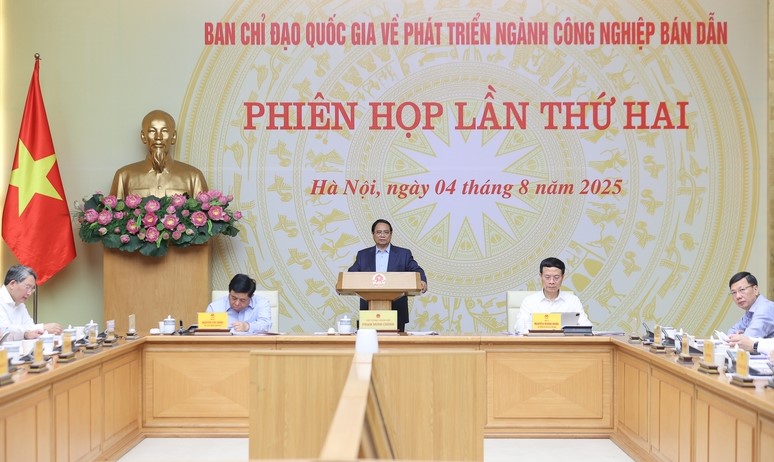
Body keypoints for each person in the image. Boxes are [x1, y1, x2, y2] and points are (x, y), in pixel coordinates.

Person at [348, 219, 427, 331]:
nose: (382, 235)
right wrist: (342, 283)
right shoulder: (363, 255)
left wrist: (422, 280)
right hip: (369, 311)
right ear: (373, 234)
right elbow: (352, 273)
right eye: (378, 232)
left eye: (386, 232)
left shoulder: (403, 254)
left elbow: (416, 269)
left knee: (395, 342)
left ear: (391, 234)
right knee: (369, 342)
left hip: (397, 310)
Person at [110, 109, 209, 199]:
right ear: (143, 136)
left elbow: (204, 211)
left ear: (173, 137)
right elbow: (113, 211)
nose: (158, 137)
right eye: (152, 131)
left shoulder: (194, 177)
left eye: (164, 131)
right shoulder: (124, 176)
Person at [515, 257, 592, 334]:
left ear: (562, 277)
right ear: (541, 276)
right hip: (537, 341)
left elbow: (586, 326)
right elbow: (520, 328)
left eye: (556, 277)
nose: (551, 281)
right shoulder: (529, 301)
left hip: (564, 341)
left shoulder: (573, 300)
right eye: (547, 277)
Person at [0, 265, 62, 340]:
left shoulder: (19, 303)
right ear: (12, 284)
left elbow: (29, 326)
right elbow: (5, 331)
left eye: (32, 289)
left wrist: (32, 332)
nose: (29, 293)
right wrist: (42, 327)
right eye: (27, 287)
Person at [206, 274, 271, 334]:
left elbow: (266, 326)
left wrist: (247, 326)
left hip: (253, 342)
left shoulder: (262, 303)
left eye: (242, 300)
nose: (237, 303)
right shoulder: (214, 308)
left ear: (251, 296)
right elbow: (207, 333)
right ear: (229, 293)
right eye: (234, 298)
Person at [725, 272, 774, 338]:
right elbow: (731, 332)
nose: (738, 296)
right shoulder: (750, 311)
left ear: (755, 290)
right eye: (733, 292)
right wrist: (741, 335)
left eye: (742, 289)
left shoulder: (765, 308)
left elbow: (749, 338)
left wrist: (742, 335)